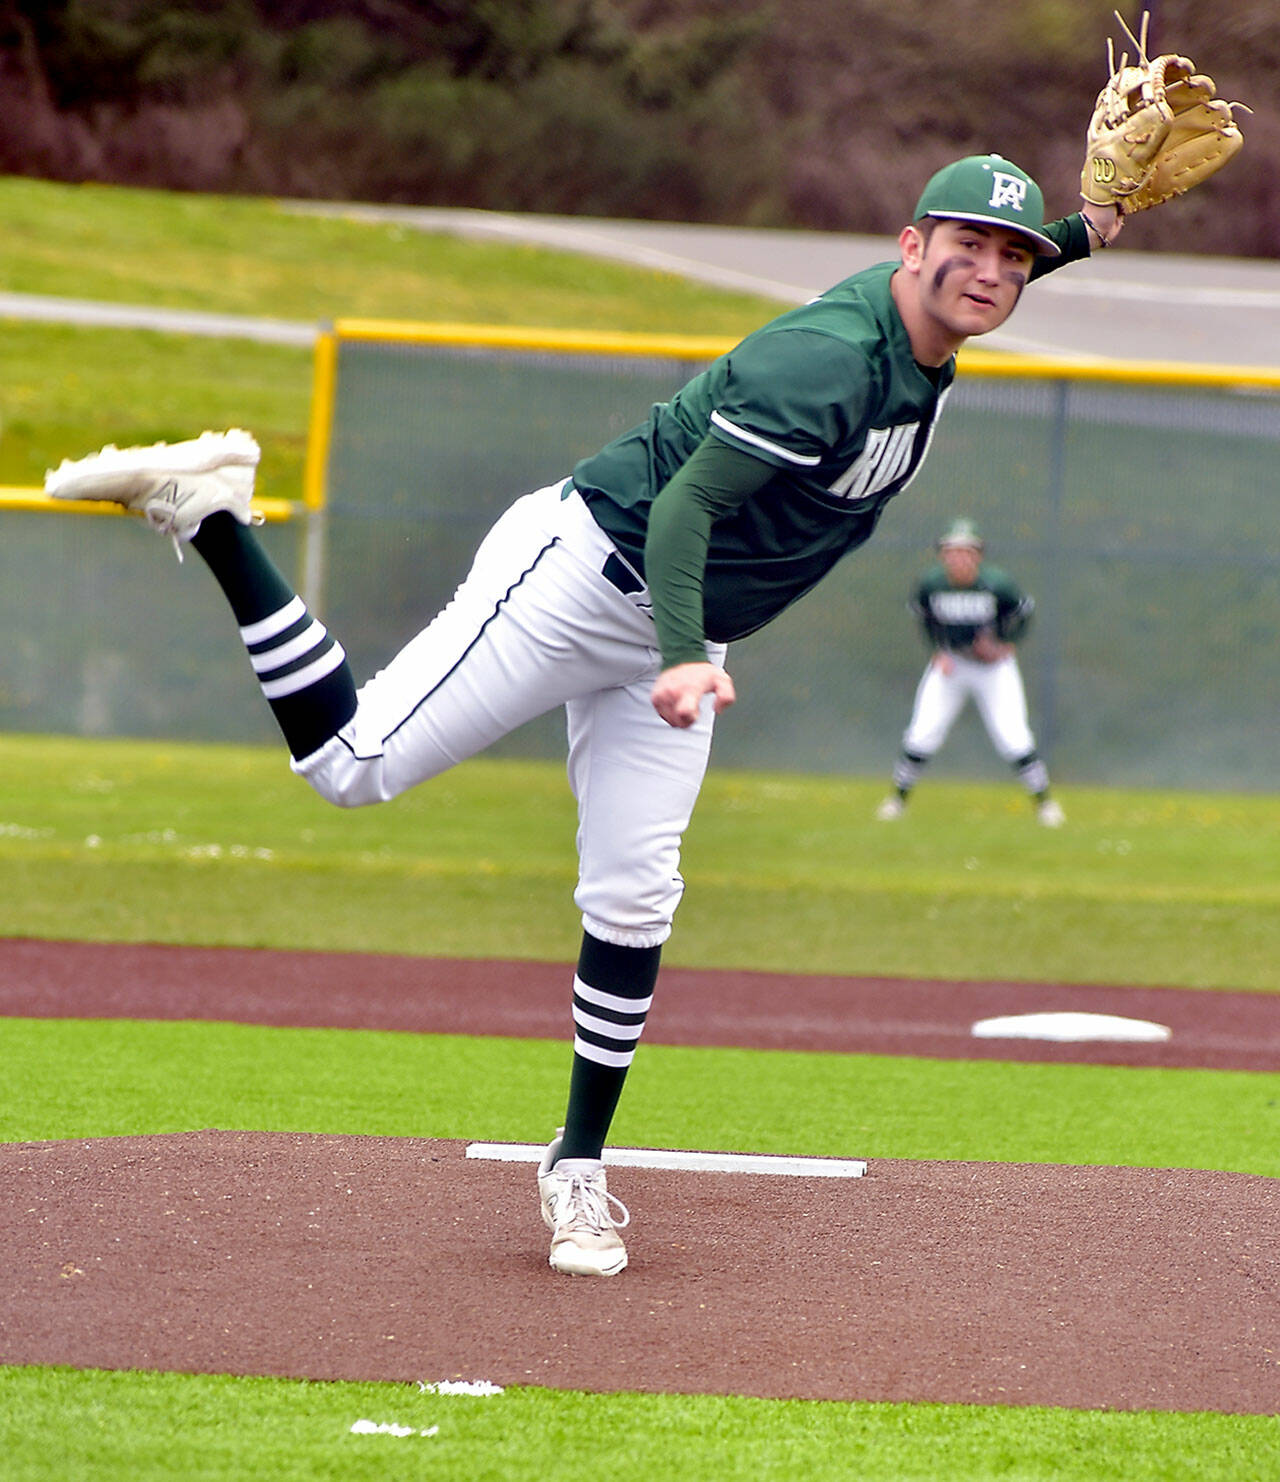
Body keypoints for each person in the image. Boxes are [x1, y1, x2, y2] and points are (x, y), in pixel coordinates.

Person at [49, 154, 1121, 1276]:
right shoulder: (822, 361)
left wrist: (1087, 226)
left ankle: (576, 1170)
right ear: (908, 245)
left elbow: (992, 269)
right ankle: (216, 515)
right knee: (349, 762)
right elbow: (687, 510)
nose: (991, 271)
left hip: (676, 628)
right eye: (967, 245)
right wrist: (676, 659)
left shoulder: (940, 314)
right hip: (585, 578)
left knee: (634, 890)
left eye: (1013, 256)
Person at [876, 519, 1065, 826]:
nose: (959, 558)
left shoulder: (997, 584)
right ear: (942, 555)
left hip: (993, 670)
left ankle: (1045, 805)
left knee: (1013, 736)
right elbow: (924, 619)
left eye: (966, 551)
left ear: (978, 555)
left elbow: (1024, 612)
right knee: (923, 732)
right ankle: (897, 801)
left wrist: (1007, 643)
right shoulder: (931, 584)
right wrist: (936, 652)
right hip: (951, 665)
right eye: (952, 551)